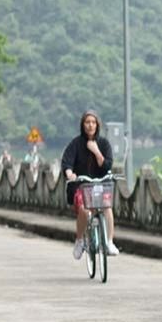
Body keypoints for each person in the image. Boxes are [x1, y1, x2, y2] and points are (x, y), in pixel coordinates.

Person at [61, 110, 119, 259]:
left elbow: (107, 165)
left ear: (97, 125)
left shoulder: (104, 143)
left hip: (100, 184)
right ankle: (80, 240)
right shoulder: (76, 143)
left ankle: (109, 242)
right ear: (83, 125)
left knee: (107, 206)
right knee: (84, 210)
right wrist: (70, 173)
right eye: (87, 122)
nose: (90, 125)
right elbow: (67, 162)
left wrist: (96, 151)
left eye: (93, 122)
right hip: (82, 185)